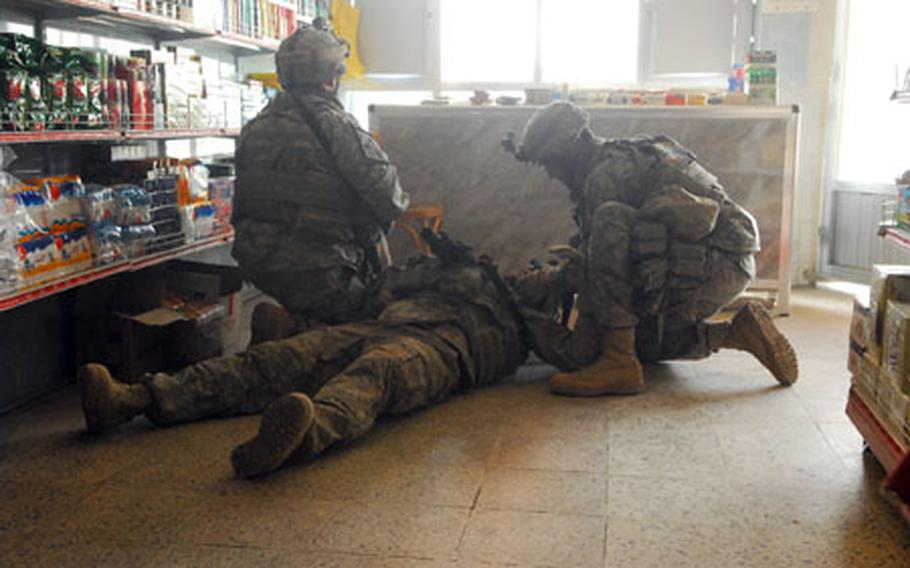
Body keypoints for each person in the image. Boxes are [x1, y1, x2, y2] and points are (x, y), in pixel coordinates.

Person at [78, 234, 543, 479]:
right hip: (382, 323)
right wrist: (440, 267)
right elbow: (385, 288)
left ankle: (302, 432)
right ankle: (133, 399)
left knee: (377, 376)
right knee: (281, 357)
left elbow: (575, 351)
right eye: (533, 268)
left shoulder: (524, 326)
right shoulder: (465, 276)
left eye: (541, 275)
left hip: (442, 351)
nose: (531, 273)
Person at [503, 102, 798, 396]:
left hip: (708, 266)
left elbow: (594, 266)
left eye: (552, 161)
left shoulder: (603, 178)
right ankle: (735, 334)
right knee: (641, 342)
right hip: (731, 264)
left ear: (574, 145)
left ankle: (617, 361)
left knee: (587, 351)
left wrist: (546, 283)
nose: (552, 173)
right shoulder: (625, 153)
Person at [232, 20, 410, 341]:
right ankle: (298, 329)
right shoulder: (336, 124)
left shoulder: (254, 127)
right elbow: (391, 199)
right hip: (320, 269)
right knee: (386, 319)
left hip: (259, 265)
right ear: (331, 77)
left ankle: (292, 324)